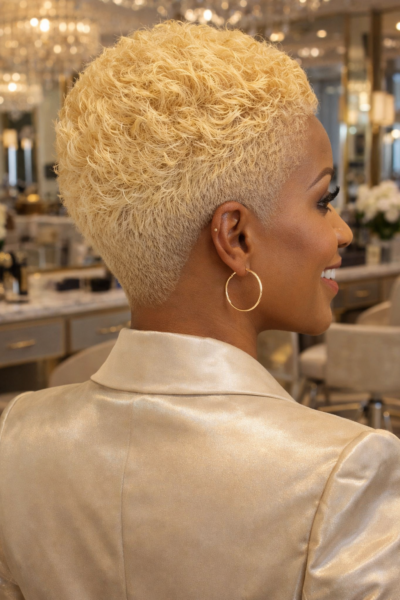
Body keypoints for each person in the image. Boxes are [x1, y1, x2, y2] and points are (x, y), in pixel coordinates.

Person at [0, 19, 399, 600]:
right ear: (235, 237)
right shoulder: (341, 476)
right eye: (323, 200)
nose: (342, 231)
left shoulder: (17, 439)